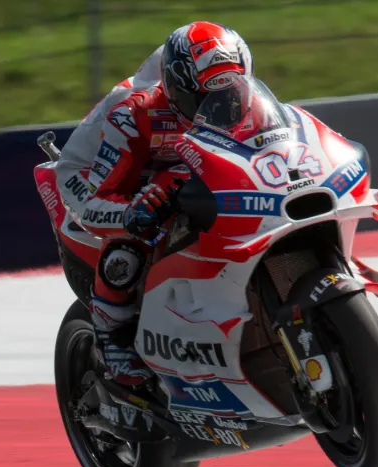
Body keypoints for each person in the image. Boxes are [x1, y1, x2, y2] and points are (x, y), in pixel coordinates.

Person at [54, 21, 254, 389]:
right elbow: (100, 195)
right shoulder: (135, 113)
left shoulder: (242, 101)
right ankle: (112, 334)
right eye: (203, 99)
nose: (219, 107)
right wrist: (131, 211)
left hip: (179, 166)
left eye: (228, 93)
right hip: (92, 176)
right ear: (176, 89)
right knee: (134, 233)